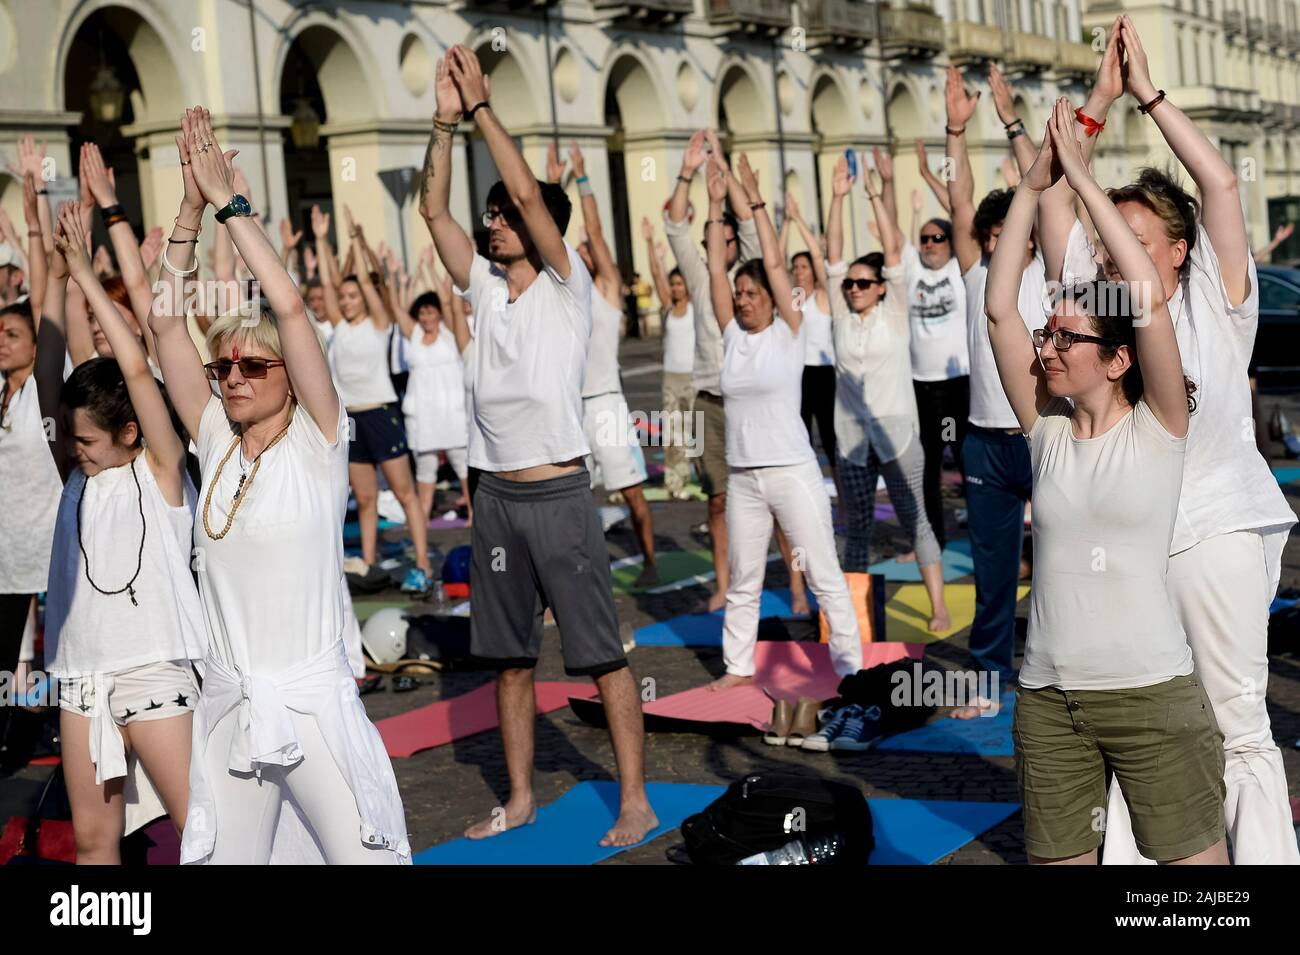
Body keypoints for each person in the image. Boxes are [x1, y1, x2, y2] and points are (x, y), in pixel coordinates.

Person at [152, 107, 408, 864]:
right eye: (224, 366)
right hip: (231, 706)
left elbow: (290, 306)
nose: (232, 377)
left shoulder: (317, 440)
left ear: (290, 382)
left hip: (312, 704)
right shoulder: (214, 440)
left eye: (252, 367)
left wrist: (232, 207)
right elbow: (166, 330)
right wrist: (188, 210)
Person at [419, 46, 656, 846]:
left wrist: (485, 108)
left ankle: (635, 799)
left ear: (537, 226)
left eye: (504, 214)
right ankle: (519, 796)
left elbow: (524, 187)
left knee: (599, 655)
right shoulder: (484, 286)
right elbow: (431, 210)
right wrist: (444, 122)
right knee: (509, 659)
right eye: (490, 214)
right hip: (494, 497)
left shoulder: (566, 280)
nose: (493, 219)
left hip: (557, 495)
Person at [1078, 17, 1299, 865]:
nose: (1120, 250)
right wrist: (1095, 105)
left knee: (1238, 723)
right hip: (1136, 551)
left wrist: (1148, 97)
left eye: (1140, 237)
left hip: (1218, 534)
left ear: (1179, 250)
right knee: (1147, 735)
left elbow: (1220, 187)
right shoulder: (1108, 321)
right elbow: (1060, 208)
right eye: (1113, 237)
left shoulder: (1217, 299)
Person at [991, 99, 1227, 865]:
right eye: (1049, 332)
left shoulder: (1159, 425)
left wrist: (1085, 184)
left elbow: (1148, 298)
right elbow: (1000, 310)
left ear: (1119, 357)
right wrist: (1032, 187)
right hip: (1049, 702)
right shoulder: (1048, 433)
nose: (1048, 344)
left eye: (1067, 336)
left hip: (1153, 697)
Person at [42, 202, 206, 863]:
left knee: (203, 830)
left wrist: (86, 272)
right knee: (92, 843)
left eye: (87, 438)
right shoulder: (75, 472)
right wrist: (52, 274)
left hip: (154, 667)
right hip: (82, 677)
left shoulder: (163, 470)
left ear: (130, 431)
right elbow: (47, 370)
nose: (74, 447)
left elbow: (137, 371)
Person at [945, 58, 1109, 712]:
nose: (994, 242)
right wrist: (955, 133)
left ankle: (1073, 669)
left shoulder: (1051, 281)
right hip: (985, 445)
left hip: (1046, 437)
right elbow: (958, 202)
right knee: (991, 578)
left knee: (1068, 564)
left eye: (1001, 232)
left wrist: (1016, 124)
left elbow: (1049, 188)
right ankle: (987, 680)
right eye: (987, 236)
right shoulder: (974, 274)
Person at [705, 151, 863, 688]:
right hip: (744, 475)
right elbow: (713, 270)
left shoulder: (790, 330)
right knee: (745, 579)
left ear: (775, 300)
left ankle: (850, 667)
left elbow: (773, 264)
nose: (743, 299)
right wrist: (711, 204)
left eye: (752, 294)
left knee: (822, 573)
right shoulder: (731, 337)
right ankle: (736, 667)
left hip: (792, 470)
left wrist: (752, 202)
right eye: (739, 294)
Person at [664, 128, 809, 615]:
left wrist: (724, 167)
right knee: (720, 503)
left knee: (780, 504)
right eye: (715, 238)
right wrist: (689, 174)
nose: (721, 243)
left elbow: (753, 231)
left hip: (758, 404)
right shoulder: (701, 272)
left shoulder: (746, 278)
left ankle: (794, 588)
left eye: (728, 238)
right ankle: (724, 586)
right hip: (708, 401)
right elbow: (675, 226)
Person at [824, 156, 950, 631]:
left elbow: (895, 253)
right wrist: (837, 197)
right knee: (856, 529)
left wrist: (875, 194)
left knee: (915, 520)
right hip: (851, 439)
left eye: (862, 283)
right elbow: (832, 256)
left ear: (880, 289)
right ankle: (853, 618)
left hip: (898, 436)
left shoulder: (895, 312)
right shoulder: (841, 315)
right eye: (849, 284)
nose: (853, 288)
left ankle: (937, 607)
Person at [312, 203, 433, 594]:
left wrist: (357, 240)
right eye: (343, 297)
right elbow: (328, 286)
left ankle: (423, 563)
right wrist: (319, 238)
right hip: (352, 420)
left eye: (353, 295)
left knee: (404, 493)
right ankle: (367, 562)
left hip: (382, 414)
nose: (346, 301)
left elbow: (367, 282)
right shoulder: (339, 328)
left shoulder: (378, 323)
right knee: (364, 498)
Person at [554, 143, 658, 587]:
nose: (581, 250)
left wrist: (580, 176)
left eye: (586, 249)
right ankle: (581, 575)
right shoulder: (568, 292)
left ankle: (651, 563)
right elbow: (550, 232)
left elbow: (593, 229)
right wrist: (552, 183)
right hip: (573, 409)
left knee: (632, 493)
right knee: (576, 500)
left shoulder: (609, 289)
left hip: (609, 405)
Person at [886, 146, 969, 555]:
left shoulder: (960, 270)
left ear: (951, 244)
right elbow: (890, 232)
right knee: (927, 470)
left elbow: (959, 209)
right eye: (925, 239)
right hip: (923, 388)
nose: (931, 243)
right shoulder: (914, 269)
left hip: (960, 385)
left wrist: (926, 173)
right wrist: (886, 185)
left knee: (970, 467)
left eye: (938, 238)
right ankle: (932, 541)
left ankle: (982, 544)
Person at [0, 298, 61, 769]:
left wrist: (39, 234)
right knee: (14, 653)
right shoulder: (1, 392)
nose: (2, 341)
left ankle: (60, 721)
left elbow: (49, 305)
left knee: (58, 645)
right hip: (9, 546)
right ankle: (19, 726)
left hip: (49, 537)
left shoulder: (45, 392)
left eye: (13, 334)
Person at [781, 191, 839, 500]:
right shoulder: (790, 301)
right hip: (797, 376)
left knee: (830, 440)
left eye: (804, 267)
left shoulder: (822, 297)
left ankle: (843, 500)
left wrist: (798, 219)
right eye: (796, 268)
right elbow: (774, 261)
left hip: (825, 374)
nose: (800, 271)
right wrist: (785, 225)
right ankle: (804, 496)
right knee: (799, 437)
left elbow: (819, 256)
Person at [397, 286, 472, 525]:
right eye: (422, 313)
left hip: (452, 412)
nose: (426, 318)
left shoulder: (450, 334)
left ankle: (474, 511)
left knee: (462, 464)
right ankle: (424, 514)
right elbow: (396, 309)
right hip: (423, 414)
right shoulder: (415, 335)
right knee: (425, 468)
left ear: (438, 313)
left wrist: (434, 272)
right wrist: (393, 278)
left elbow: (450, 304)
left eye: (431, 312)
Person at [643, 216, 695, 500]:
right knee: (673, 434)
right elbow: (656, 277)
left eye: (679, 284)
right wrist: (651, 244)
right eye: (673, 284)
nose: (675, 288)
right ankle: (675, 481)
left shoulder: (695, 309)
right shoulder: (667, 310)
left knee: (695, 432)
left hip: (693, 379)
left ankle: (698, 475)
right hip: (671, 380)